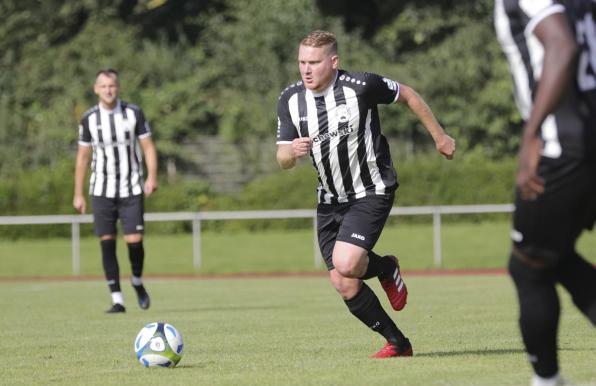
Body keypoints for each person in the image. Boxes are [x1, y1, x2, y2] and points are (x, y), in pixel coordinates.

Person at [276, 30, 455, 358]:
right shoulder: (290, 98)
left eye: (314, 62)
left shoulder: (361, 87)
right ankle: (398, 344)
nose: (306, 69)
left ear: (333, 61)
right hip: (329, 199)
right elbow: (282, 159)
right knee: (343, 281)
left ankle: (386, 268)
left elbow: (409, 96)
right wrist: (293, 152)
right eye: (302, 61)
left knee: (346, 262)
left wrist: (440, 136)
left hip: (371, 189)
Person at [494, 1, 596, 385]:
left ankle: (548, 381)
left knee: (529, 267)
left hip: (565, 149)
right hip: (586, 144)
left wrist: (531, 133)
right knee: (554, 258)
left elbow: (562, 46)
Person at [73, 69, 158, 314]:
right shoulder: (89, 118)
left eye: (112, 85)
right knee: (107, 242)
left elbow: (149, 148)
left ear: (118, 87)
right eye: (103, 86)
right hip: (101, 189)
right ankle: (117, 299)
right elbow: (82, 158)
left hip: (131, 187)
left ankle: (137, 281)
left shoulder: (133, 113)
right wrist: (78, 193)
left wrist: (151, 177)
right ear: (96, 89)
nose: (108, 90)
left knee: (134, 242)